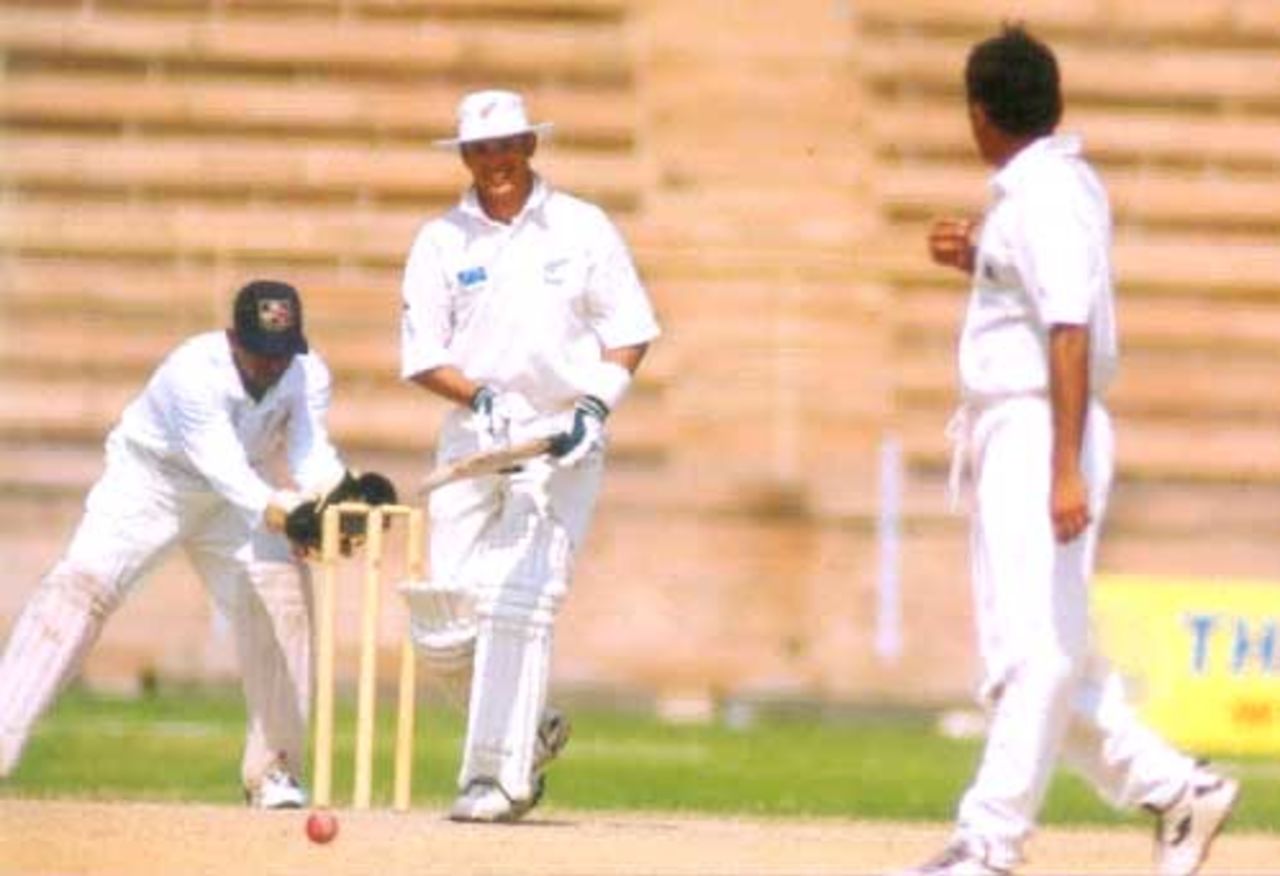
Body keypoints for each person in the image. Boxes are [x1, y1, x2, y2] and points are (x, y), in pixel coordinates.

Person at [901, 25, 1238, 876]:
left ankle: (989, 840)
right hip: (1025, 423)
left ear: (979, 112)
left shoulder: (1046, 196)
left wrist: (1062, 467)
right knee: (1042, 654)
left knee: (1036, 653)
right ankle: (1176, 791)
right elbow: (1048, 295)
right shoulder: (1045, 189)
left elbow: (1070, 328)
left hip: (1042, 424)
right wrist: (978, 255)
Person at [398, 89, 660, 822]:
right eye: (480, 150)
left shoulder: (582, 226)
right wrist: (477, 397)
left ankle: (496, 779)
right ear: (466, 158)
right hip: (475, 435)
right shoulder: (441, 241)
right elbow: (422, 355)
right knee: (445, 620)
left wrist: (594, 406)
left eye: (506, 146)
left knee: (518, 600)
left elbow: (631, 328)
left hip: (560, 438)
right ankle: (531, 726)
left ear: (530, 146)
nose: (495, 162)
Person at [0, 280, 353, 808]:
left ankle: (274, 769)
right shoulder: (192, 371)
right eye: (259, 353)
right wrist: (286, 512)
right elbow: (223, 467)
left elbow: (307, 450)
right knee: (79, 593)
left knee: (283, 593)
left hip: (238, 494)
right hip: (153, 482)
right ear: (233, 338)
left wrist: (339, 493)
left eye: (281, 354)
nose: (270, 366)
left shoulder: (306, 372)